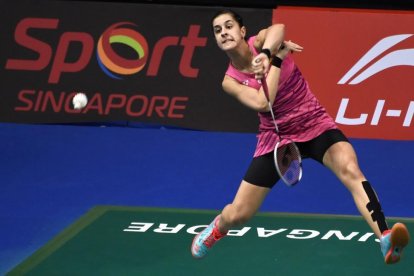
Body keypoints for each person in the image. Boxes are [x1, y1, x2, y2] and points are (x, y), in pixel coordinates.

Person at [190, 9, 410, 264]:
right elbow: (264, 101)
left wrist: (266, 54)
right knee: (239, 214)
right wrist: (278, 60)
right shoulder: (230, 81)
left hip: (314, 122)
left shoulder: (260, 42)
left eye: (228, 26)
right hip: (277, 138)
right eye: (218, 30)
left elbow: (278, 28)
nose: (224, 33)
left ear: (242, 31)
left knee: (351, 169)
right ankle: (217, 228)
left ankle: (385, 238)